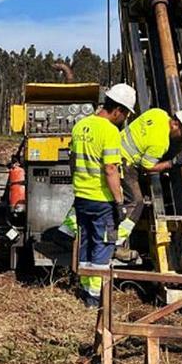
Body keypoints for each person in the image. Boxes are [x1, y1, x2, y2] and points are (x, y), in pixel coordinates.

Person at [70, 84, 134, 308]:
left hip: (81, 197)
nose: (124, 118)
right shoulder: (109, 131)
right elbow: (110, 169)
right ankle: (95, 298)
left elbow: (72, 161)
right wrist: (119, 202)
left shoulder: (80, 125)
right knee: (103, 245)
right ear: (117, 109)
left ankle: (85, 289)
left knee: (86, 244)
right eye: (125, 114)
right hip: (102, 200)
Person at [116, 107, 182, 247]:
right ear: (176, 124)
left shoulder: (158, 113)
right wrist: (171, 163)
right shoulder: (160, 143)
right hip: (123, 163)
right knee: (136, 202)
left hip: (114, 149)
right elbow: (147, 167)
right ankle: (117, 241)